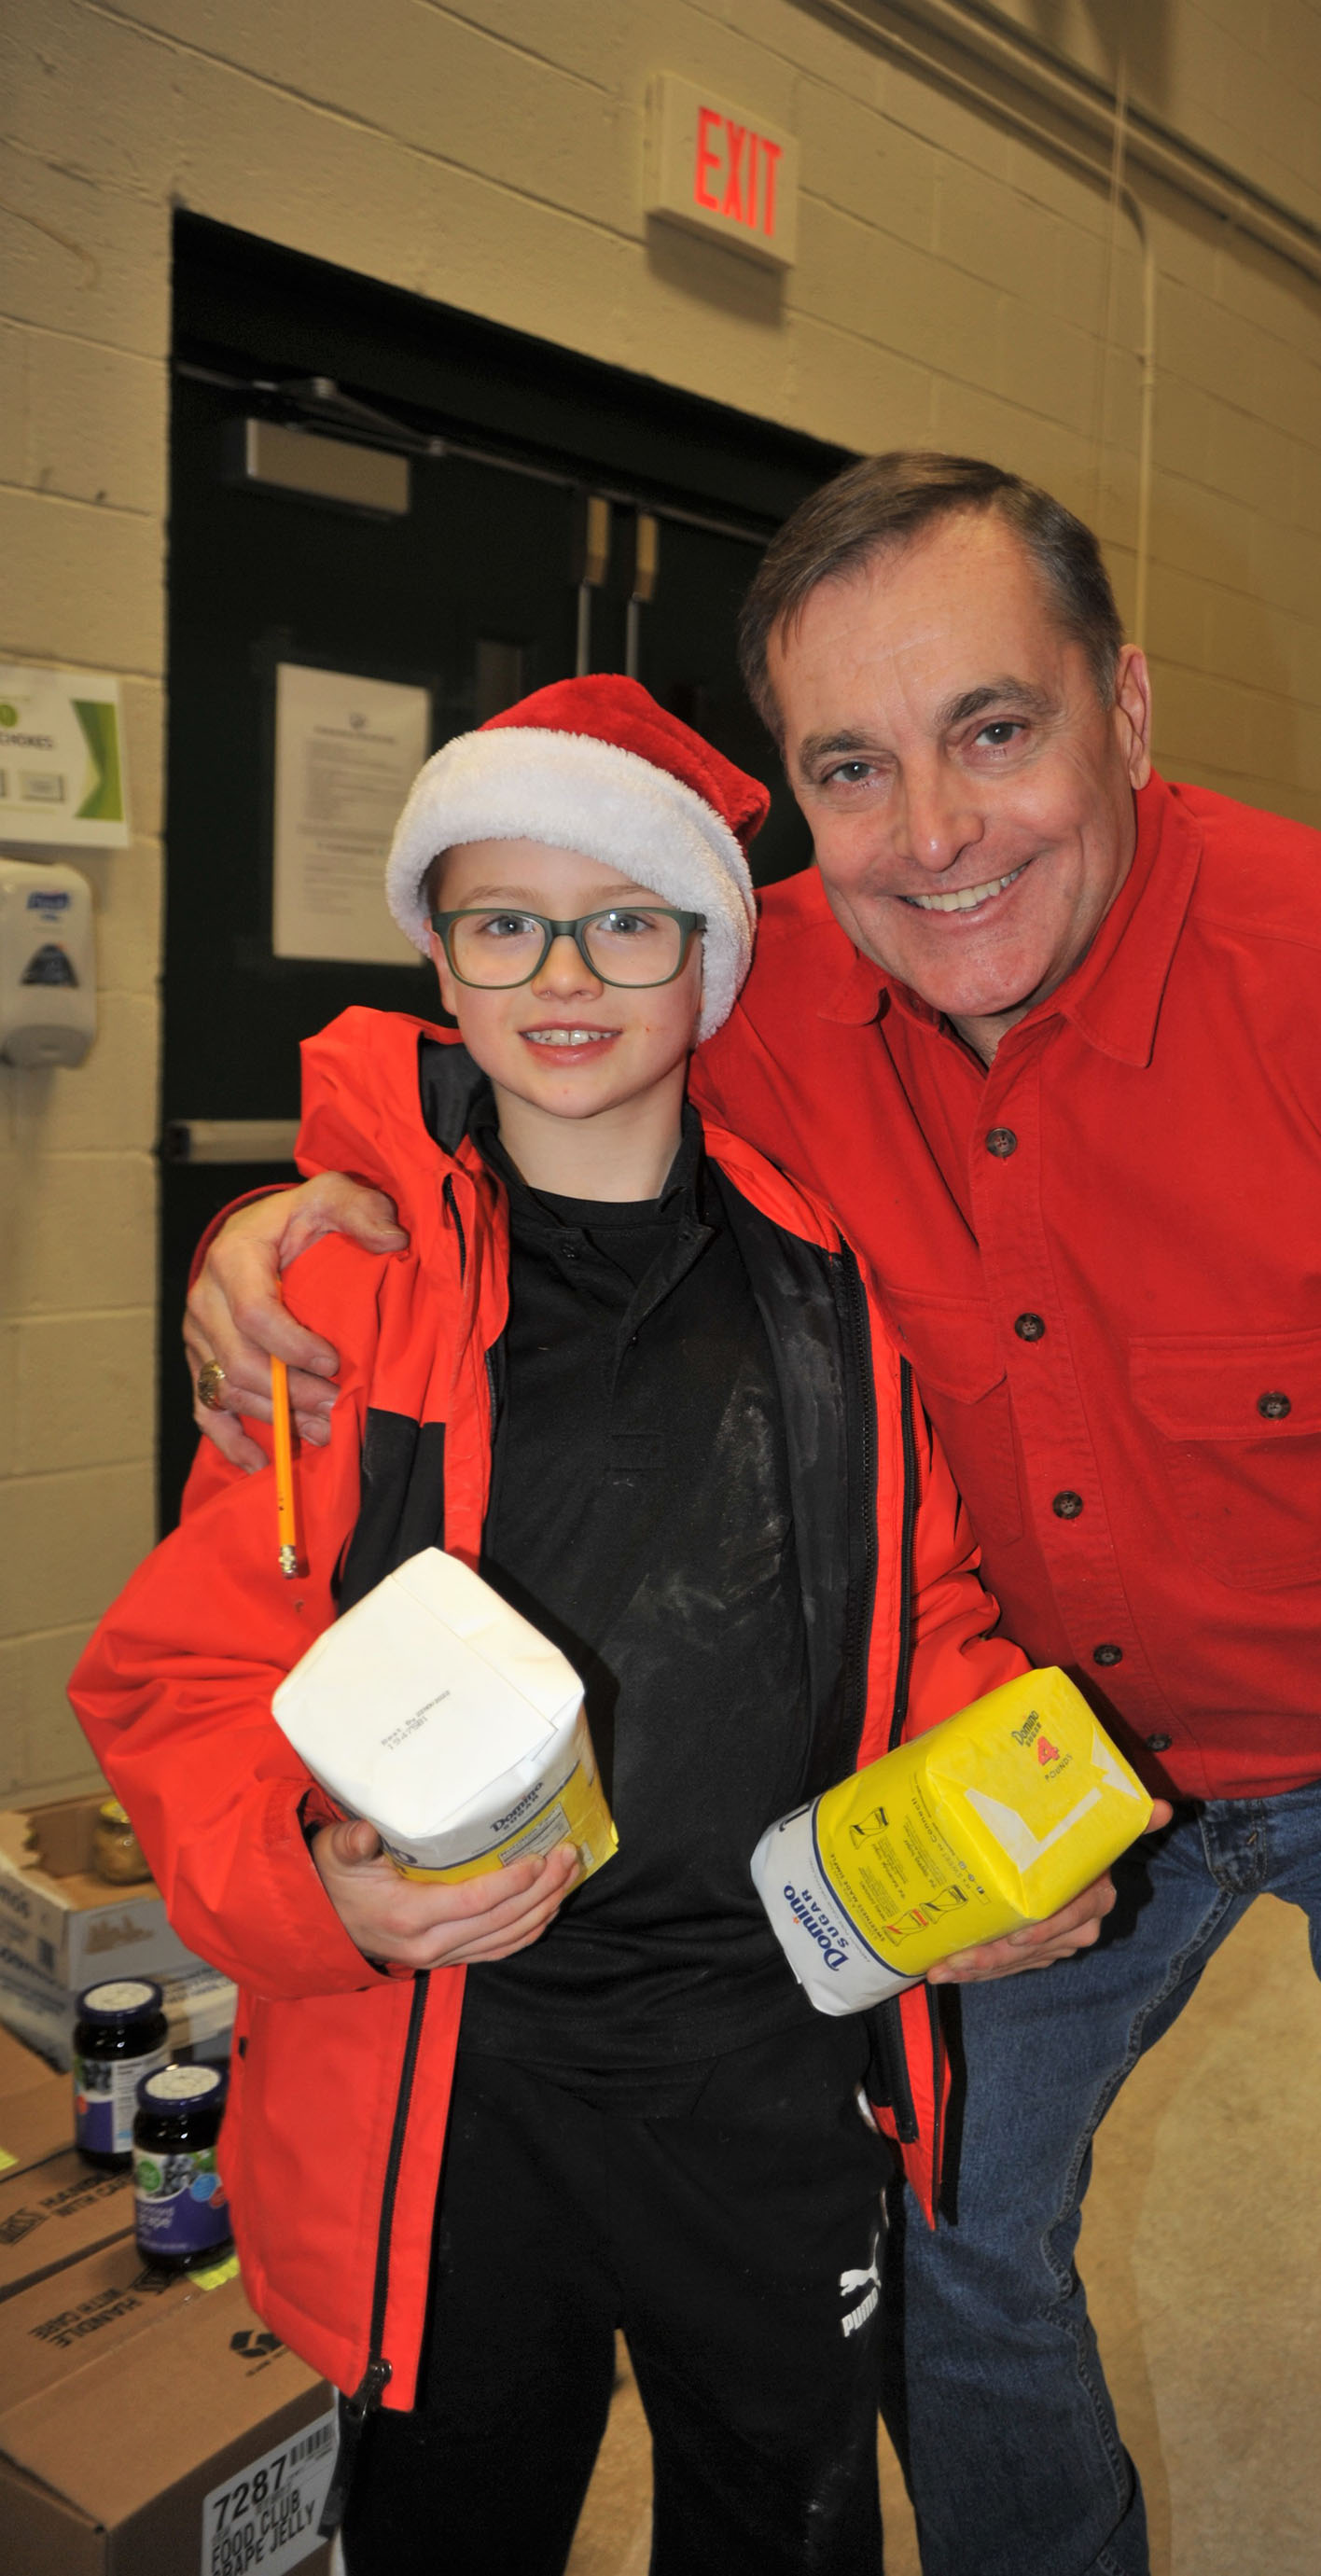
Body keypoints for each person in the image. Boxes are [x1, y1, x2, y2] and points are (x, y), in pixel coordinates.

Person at [182, 458, 1321, 2576]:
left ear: (1124, 708)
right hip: (1020, 1733)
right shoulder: (756, 999)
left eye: (996, 729)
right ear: (787, 796)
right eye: (853, 768)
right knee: (935, 2248)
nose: (935, 836)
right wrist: (275, 1230)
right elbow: (502, 1065)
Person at [69, 676, 1049, 2576]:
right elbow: (183, 1679)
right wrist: (314, 1895)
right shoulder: (341, 1301)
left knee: (789, 2510)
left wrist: (995, 1792)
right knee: (452, 2518)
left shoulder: (836, 1280)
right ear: (442, 960)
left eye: (629, 918)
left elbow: (910, 1607)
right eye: (506, 920)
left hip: (766, 2047)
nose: (567, 968)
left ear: (711, 959)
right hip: (455, 2072)